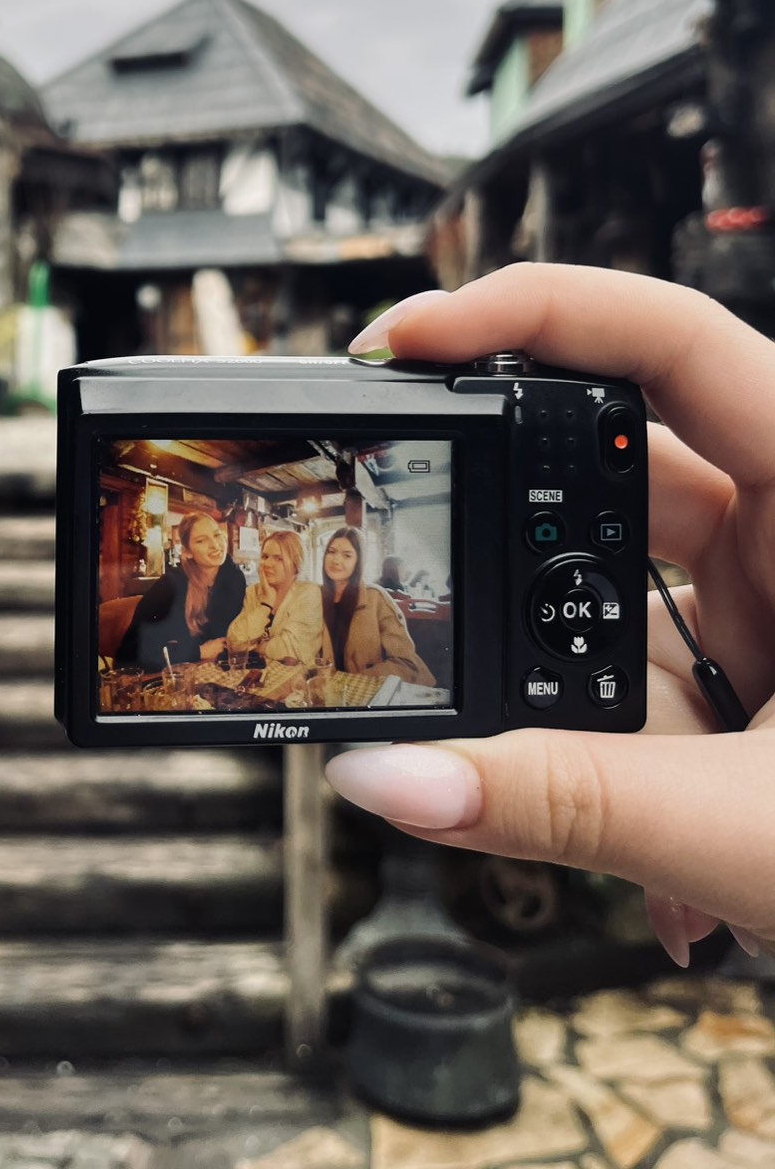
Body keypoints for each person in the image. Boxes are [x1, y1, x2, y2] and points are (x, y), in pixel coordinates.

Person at [328, 263, 775, 965]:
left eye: (345, 551)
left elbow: (409, 663)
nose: (338, 562)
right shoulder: (314, 601)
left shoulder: (381, 601)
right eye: (332, 553)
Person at [115, 510, 246, 670]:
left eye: (217, 535)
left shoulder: (235, 579)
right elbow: (134, 652)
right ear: (187, 552)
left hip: (213, 671)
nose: (215, 545)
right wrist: (199, 651)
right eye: (201, 541)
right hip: (158, 675)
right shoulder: (169, 586)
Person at [320, 526, 436, 685]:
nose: (336, 560)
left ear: (359, 562)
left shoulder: (376, 598)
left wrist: (353, 682)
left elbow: (404, 663)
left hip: (370, 690)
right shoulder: (315, 597)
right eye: (331, 552)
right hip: (330, 690)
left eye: (347, 555)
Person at [226, 529, 327, 667]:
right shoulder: (253, 592)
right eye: (265, 556)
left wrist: (257, 647)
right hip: (258, 675)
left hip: (296, 676)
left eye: (278, 558)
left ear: (296, 565)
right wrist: (266, 604)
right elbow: (235, 642)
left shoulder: (308, 593)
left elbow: (292, 651)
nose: (267, 564)